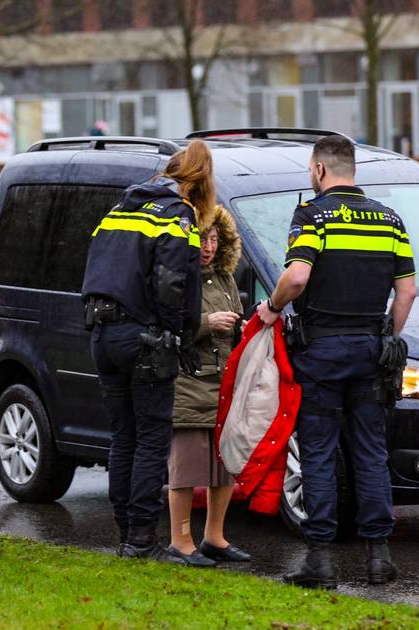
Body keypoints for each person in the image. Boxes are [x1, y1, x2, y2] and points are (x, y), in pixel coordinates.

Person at [257, 135, 417, 589]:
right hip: (370, 352)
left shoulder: (312, 216)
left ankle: (320, 561)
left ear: (320, 170)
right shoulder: (389, 220)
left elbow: (299, 275)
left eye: (311, 169)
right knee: (370, 453)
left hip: (321, 355)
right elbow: (406, 291)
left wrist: (272, 304)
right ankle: (379, 558)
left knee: (319, 454)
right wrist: (388, 335)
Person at [82, 139, 213, 562]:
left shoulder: (118, 211)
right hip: (145, 338)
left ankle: (126, 533)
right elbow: (173, 283)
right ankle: (141, 539)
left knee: (124, 436)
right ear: (199, 181)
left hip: (103, 334)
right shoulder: (178, 215)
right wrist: (178, 334)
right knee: (152, 439)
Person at [166, 203, 251, 567]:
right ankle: (180, 541)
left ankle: (214, 537)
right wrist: (206, 323)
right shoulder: (178, 278)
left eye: (214, 238)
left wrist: (242, 329)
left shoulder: (226, 278)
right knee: (184, 470)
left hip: (223, 386)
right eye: (201, 239)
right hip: (188, 384)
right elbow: (168, 327)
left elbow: (232, 325)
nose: (208, 246)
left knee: (224, 466)